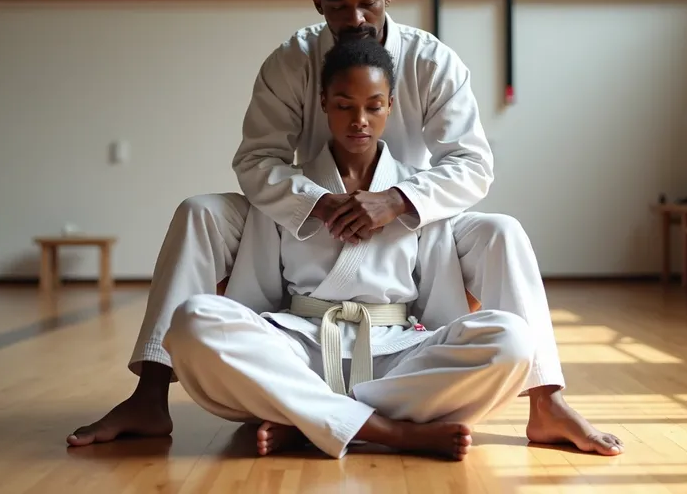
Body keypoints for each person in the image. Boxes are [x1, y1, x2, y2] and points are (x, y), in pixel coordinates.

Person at [66, 0, 624, 457]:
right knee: (199, 217)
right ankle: (154, 395)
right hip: (302, 215)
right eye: (337, 6)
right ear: (317, 4)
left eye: (367, 3)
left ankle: (538, 403)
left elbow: (473, 165)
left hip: (414, 216)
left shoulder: (431, 62)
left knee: (503, 241)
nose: (354, 18)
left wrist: (399, 200)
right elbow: (256, 160)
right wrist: (313, 202)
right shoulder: (292, 62)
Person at [161, 37, 534, 460]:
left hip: (395, 355)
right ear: (322, 103)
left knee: (514, 340)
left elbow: (438, 305)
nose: (359, 119)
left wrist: (439, 345)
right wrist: (255, 342)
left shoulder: (418, 192)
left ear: (391, 105)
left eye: (373, 106)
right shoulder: (287, 191)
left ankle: (304, 418)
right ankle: (387, 430)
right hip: (299, 351)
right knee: (194, 320)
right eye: (344, 105)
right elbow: (255, 295)